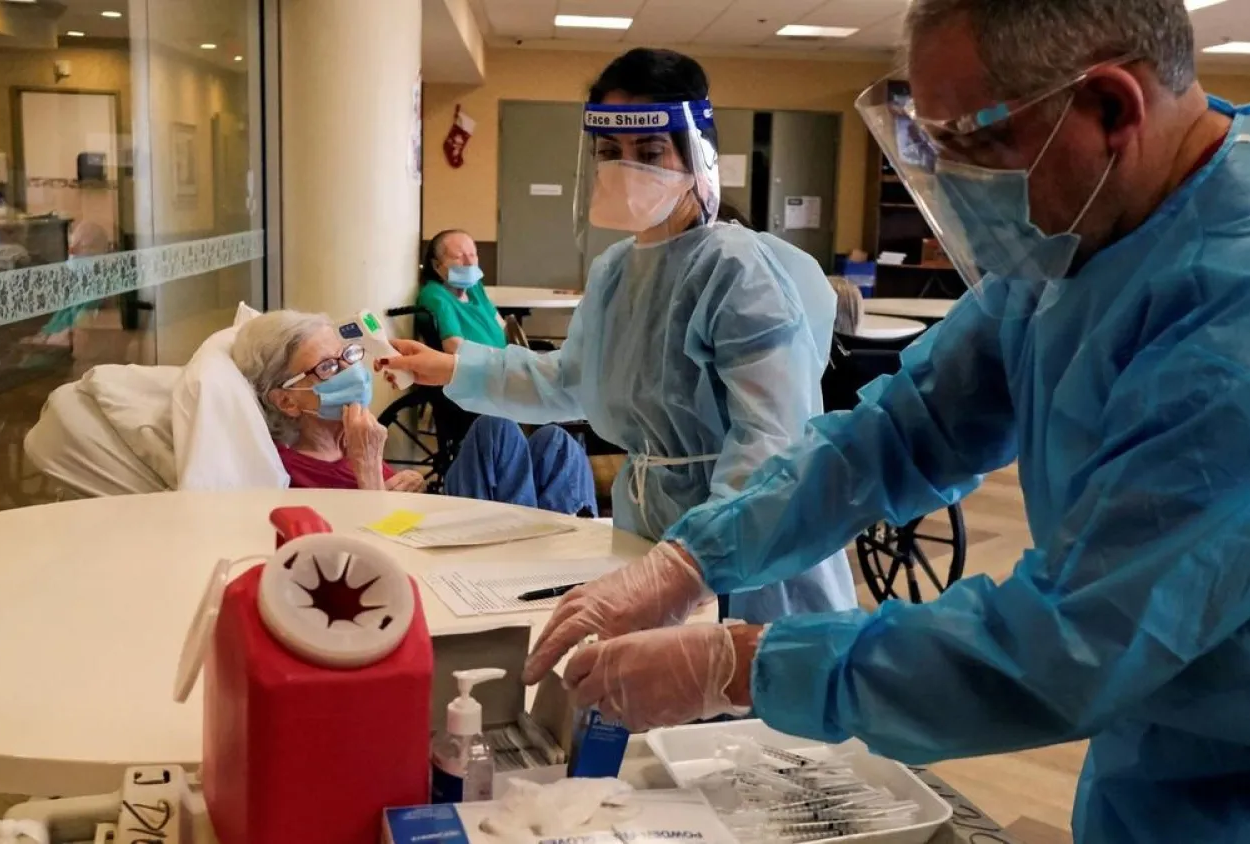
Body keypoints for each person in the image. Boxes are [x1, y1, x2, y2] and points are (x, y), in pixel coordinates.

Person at [518, 2, 1250, 841]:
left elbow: (1074, 641)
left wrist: (741, 665)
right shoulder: (1091, 221)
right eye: (934, 144)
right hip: (1171, 756)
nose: (957, 181)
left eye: (976, 142)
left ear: (1113, 107)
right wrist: (690, 557)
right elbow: (902, 429)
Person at [381, 48, 856, 624]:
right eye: (610, 152)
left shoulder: (736, 270)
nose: (627, 168)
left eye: (650, 152)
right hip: (648, 531)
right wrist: (456, 369)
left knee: (734, 694)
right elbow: (574, 379)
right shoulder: (614, 271)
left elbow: (769, 442)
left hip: (748, 548)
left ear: (693, 151)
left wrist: (698, 561)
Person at [232, 310, 596, 516]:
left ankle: (560, 555)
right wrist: (371, 475)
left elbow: (400, 517)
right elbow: (364, 556)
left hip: (425, 524)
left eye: (347, 356)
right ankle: (533, 566)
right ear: (286, 401)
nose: (350, 371)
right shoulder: (288, 471)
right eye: (328, 368)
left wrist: (409, 490)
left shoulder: (349, 439)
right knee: (497, 428)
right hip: (433, 568)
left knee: (556, 443)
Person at [418, 229, 507, 352]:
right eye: (458, 257)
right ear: (436, 265)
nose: (469, 263)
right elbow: (454, 347)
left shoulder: (474, 288)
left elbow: (502, 325)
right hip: (485, 368)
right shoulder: (435, 296)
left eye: (472, 255)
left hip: (507, 363)